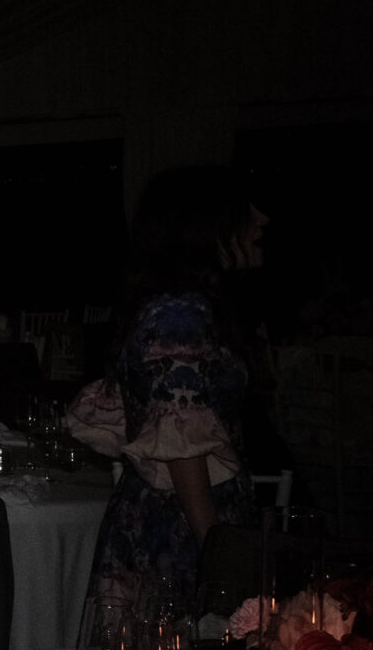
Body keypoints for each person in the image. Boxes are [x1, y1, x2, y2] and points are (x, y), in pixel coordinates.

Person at [69, 166, 266, 614]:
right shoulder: (180, 316)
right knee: (180, 647)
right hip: (178, 529)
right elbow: (181, 447)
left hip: (167, 519)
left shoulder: (175, 309)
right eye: (242, 211)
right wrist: (217, 555)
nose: (261, 220)